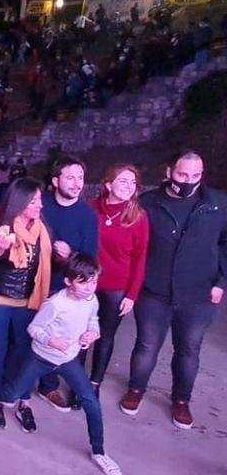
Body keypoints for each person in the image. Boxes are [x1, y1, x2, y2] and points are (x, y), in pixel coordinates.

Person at [0, 254, 122, 475]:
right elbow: (34, 329)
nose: (90, 287)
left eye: (93, 282)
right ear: (68, 282)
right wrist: (51, 341)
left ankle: (99, 451)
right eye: (83, 282)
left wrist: (93, 333)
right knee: (11, 394)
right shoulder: (55, 304)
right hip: (42, 357)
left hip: (69, 358)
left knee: (91, 402)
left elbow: (93, 320)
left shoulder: (91, 300)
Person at [120, 150, 227, 429]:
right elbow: (130, 243)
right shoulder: (148, 203)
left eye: (195, 175)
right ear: (169, 172)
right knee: (146, 345)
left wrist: (221, 281)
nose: (189, 181)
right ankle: (136, 389)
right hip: (154, 291)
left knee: (189, 349)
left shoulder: (217, 204)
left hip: (199, 294)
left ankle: (181, 400)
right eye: (182, 174)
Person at [0, 177, 52, 432]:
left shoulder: (42, 229)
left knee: (22, 348)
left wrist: (65, 257)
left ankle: (18, 396)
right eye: (34, 201)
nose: (39, 205)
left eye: (40, 200)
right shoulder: (1, 227)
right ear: (19, 203)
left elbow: (45, 265)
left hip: (27, 300)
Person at [38, 155, 98, 411]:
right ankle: (34, 385)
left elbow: (90, 257)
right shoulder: (40, 205)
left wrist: (70, 255)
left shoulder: (86, 215)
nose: (76, 183)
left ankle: (57, 385)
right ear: (55, 180)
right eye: (70, 177)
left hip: (67, 287)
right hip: (37, 282)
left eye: (80, 178)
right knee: (35, 333)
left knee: (64, 336)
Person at [89, 164, 149, 394]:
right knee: (81, 331)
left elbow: (140, 258)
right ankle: (78, 384)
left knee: (105, 336)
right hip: (88, 284)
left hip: (117, 288)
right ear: (108, 184)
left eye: (133, 183)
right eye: (123, 180)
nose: (129, 186)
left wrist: (132, 295)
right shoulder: (92, 209)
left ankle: (95, 383)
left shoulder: (138, 217)